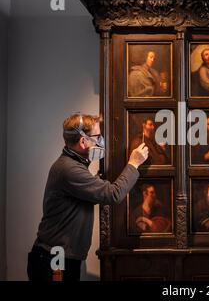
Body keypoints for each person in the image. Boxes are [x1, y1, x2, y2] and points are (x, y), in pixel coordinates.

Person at [27, 113, 149, 281]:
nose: (101, 141)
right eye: (97, 136)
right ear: (83, 141)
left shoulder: (73, 164)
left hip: (59, 255)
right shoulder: (69, 169)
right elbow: (113, 194)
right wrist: (134, 163)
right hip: (55, 258)